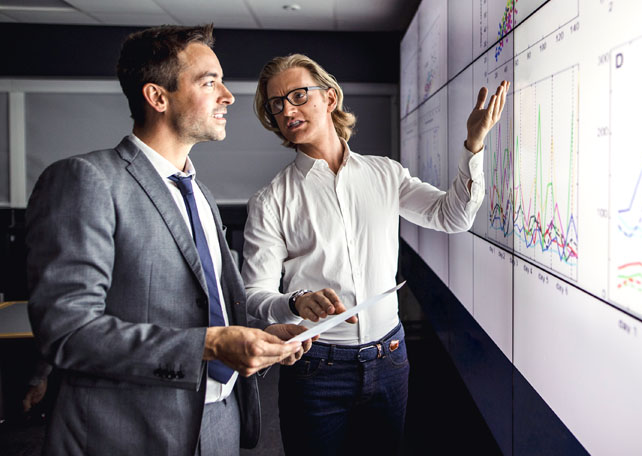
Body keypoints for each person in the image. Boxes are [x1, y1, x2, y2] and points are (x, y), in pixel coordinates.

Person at [26, 25, 319, 456]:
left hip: (221, 421)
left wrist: (259, 334)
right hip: (131, 432)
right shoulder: (86, 180)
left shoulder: (199, 193)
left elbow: (201, 303)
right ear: (157, 97)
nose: (228, 96)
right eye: (209, 82)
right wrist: (209, 345)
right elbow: (68, 331)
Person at [242, 53, 508, 455]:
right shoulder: (271, 200)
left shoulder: (385, 173)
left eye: (298, 96)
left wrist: (474, 144)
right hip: (317, 369)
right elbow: (254, 294)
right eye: (276, 105)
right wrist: (295, 302)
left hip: (390, 360)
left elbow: (452, 216)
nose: (287, 111)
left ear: (330, 98)